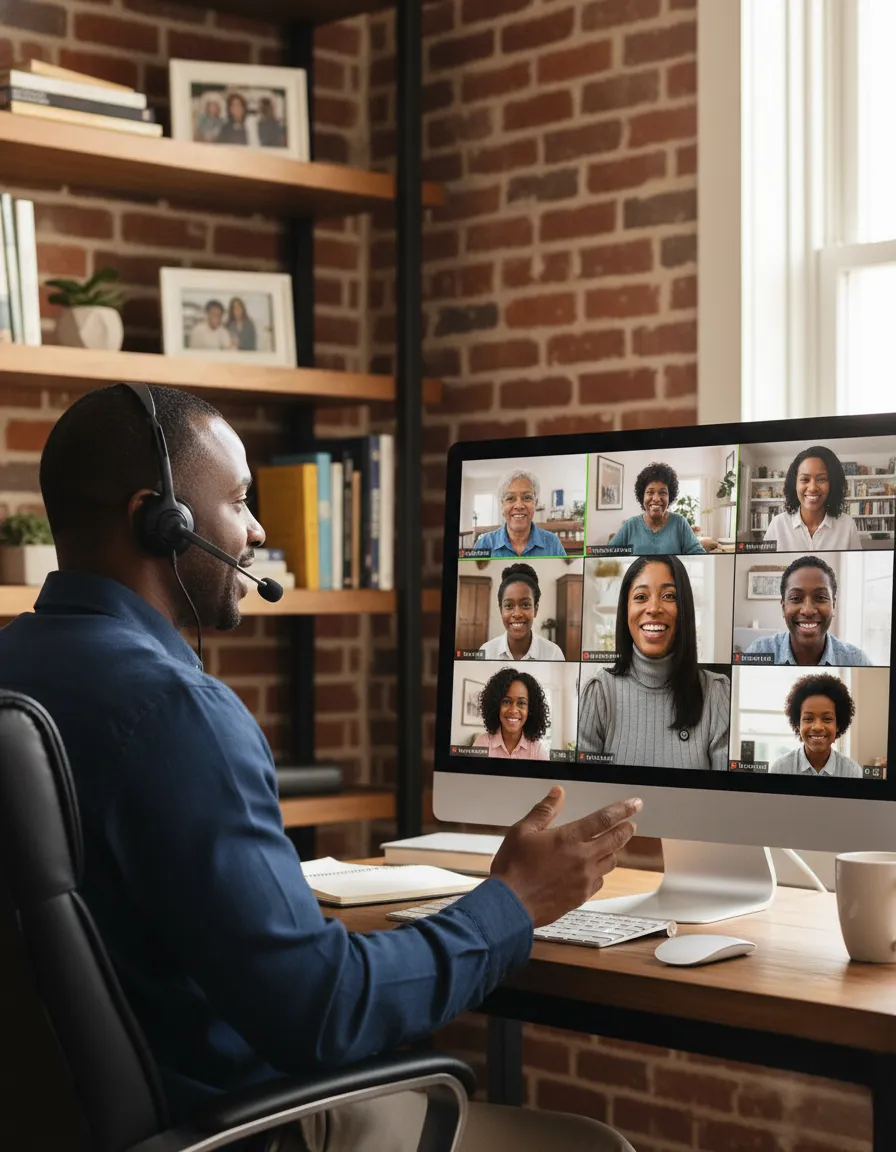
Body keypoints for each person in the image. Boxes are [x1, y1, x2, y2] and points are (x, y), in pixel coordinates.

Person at [0, 383, 640, 1152]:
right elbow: (326, 1012)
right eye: (239, 500)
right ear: (162, 521)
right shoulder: (176, 711)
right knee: (591, 1145)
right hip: (229, 1128)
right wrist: (513, 901)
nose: (258, 528)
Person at [578, 555, 730, 770]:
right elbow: (585, 795)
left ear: (684, 609)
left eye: (669, 596)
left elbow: (727, 799)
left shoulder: (717, 692)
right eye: (641, 597)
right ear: (626, 610)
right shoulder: (599, 693)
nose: (654, 608)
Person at [743, 555, 872, 666]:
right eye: (796, 598)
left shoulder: (857, 660)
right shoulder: (759, 651)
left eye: (820, 597)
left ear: (833, 605)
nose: (808, 610)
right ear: (783, 607)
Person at [763, 446, 862, 550]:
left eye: (821, 479)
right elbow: (764, 565)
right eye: (805, 479)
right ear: (794, 484)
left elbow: (855, 565)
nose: (813, 488)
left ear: (832, 484)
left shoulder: (847, 525)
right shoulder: (778, 524)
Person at [770, 673, 863, 777]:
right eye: (808, 719)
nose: (817, 727)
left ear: (838, 725)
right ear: (797, 724)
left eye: (827, 719)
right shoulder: (779, 769)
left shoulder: (852, 772)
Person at [607, 463, 706, 555]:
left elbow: (700, 556)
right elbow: (607, 556)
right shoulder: (631, 525)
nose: (656, 499)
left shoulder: (679, 523)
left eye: (662, 493)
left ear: (669, 496)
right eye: (650, 492)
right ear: (642, 496)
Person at [478, 562, 565, 661]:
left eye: (525, 605)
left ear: (536, 609)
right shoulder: (486, 651)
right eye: (509, 606)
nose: (517, 614)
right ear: (501, 610)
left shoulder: (553, 653)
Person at [474, 469, 567, 557]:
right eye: (510, 498)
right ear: (502, 505)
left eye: (527, 498)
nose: (519, 506)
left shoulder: (553, 543)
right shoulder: (484, 544)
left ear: (536, 503)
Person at [471, 667, 551, 760]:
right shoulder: (482, 743)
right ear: (496, 706)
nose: (513, 710)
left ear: (531, 709)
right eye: (506, 702)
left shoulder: (537, 750)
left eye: (521, 703)